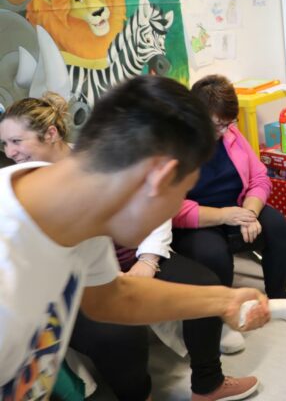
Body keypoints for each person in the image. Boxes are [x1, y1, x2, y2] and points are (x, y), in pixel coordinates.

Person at [0, 76, 271, 399]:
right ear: (159, 177)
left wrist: (224, 301)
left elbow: (113, 298)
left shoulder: (83, 219)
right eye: (183, 191)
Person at [172, 75, 286, 352]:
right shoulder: (176, 147)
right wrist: (225, 215)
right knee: (213, 253)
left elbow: (260, 178)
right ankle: (223, 316)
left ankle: (277, 296)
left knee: (275, 224)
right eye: (218, 124)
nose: (225, 130)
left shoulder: (231, 135)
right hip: (198, 221)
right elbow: (172, 210)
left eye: (230, 123)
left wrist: (249, 211)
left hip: (237, 209)